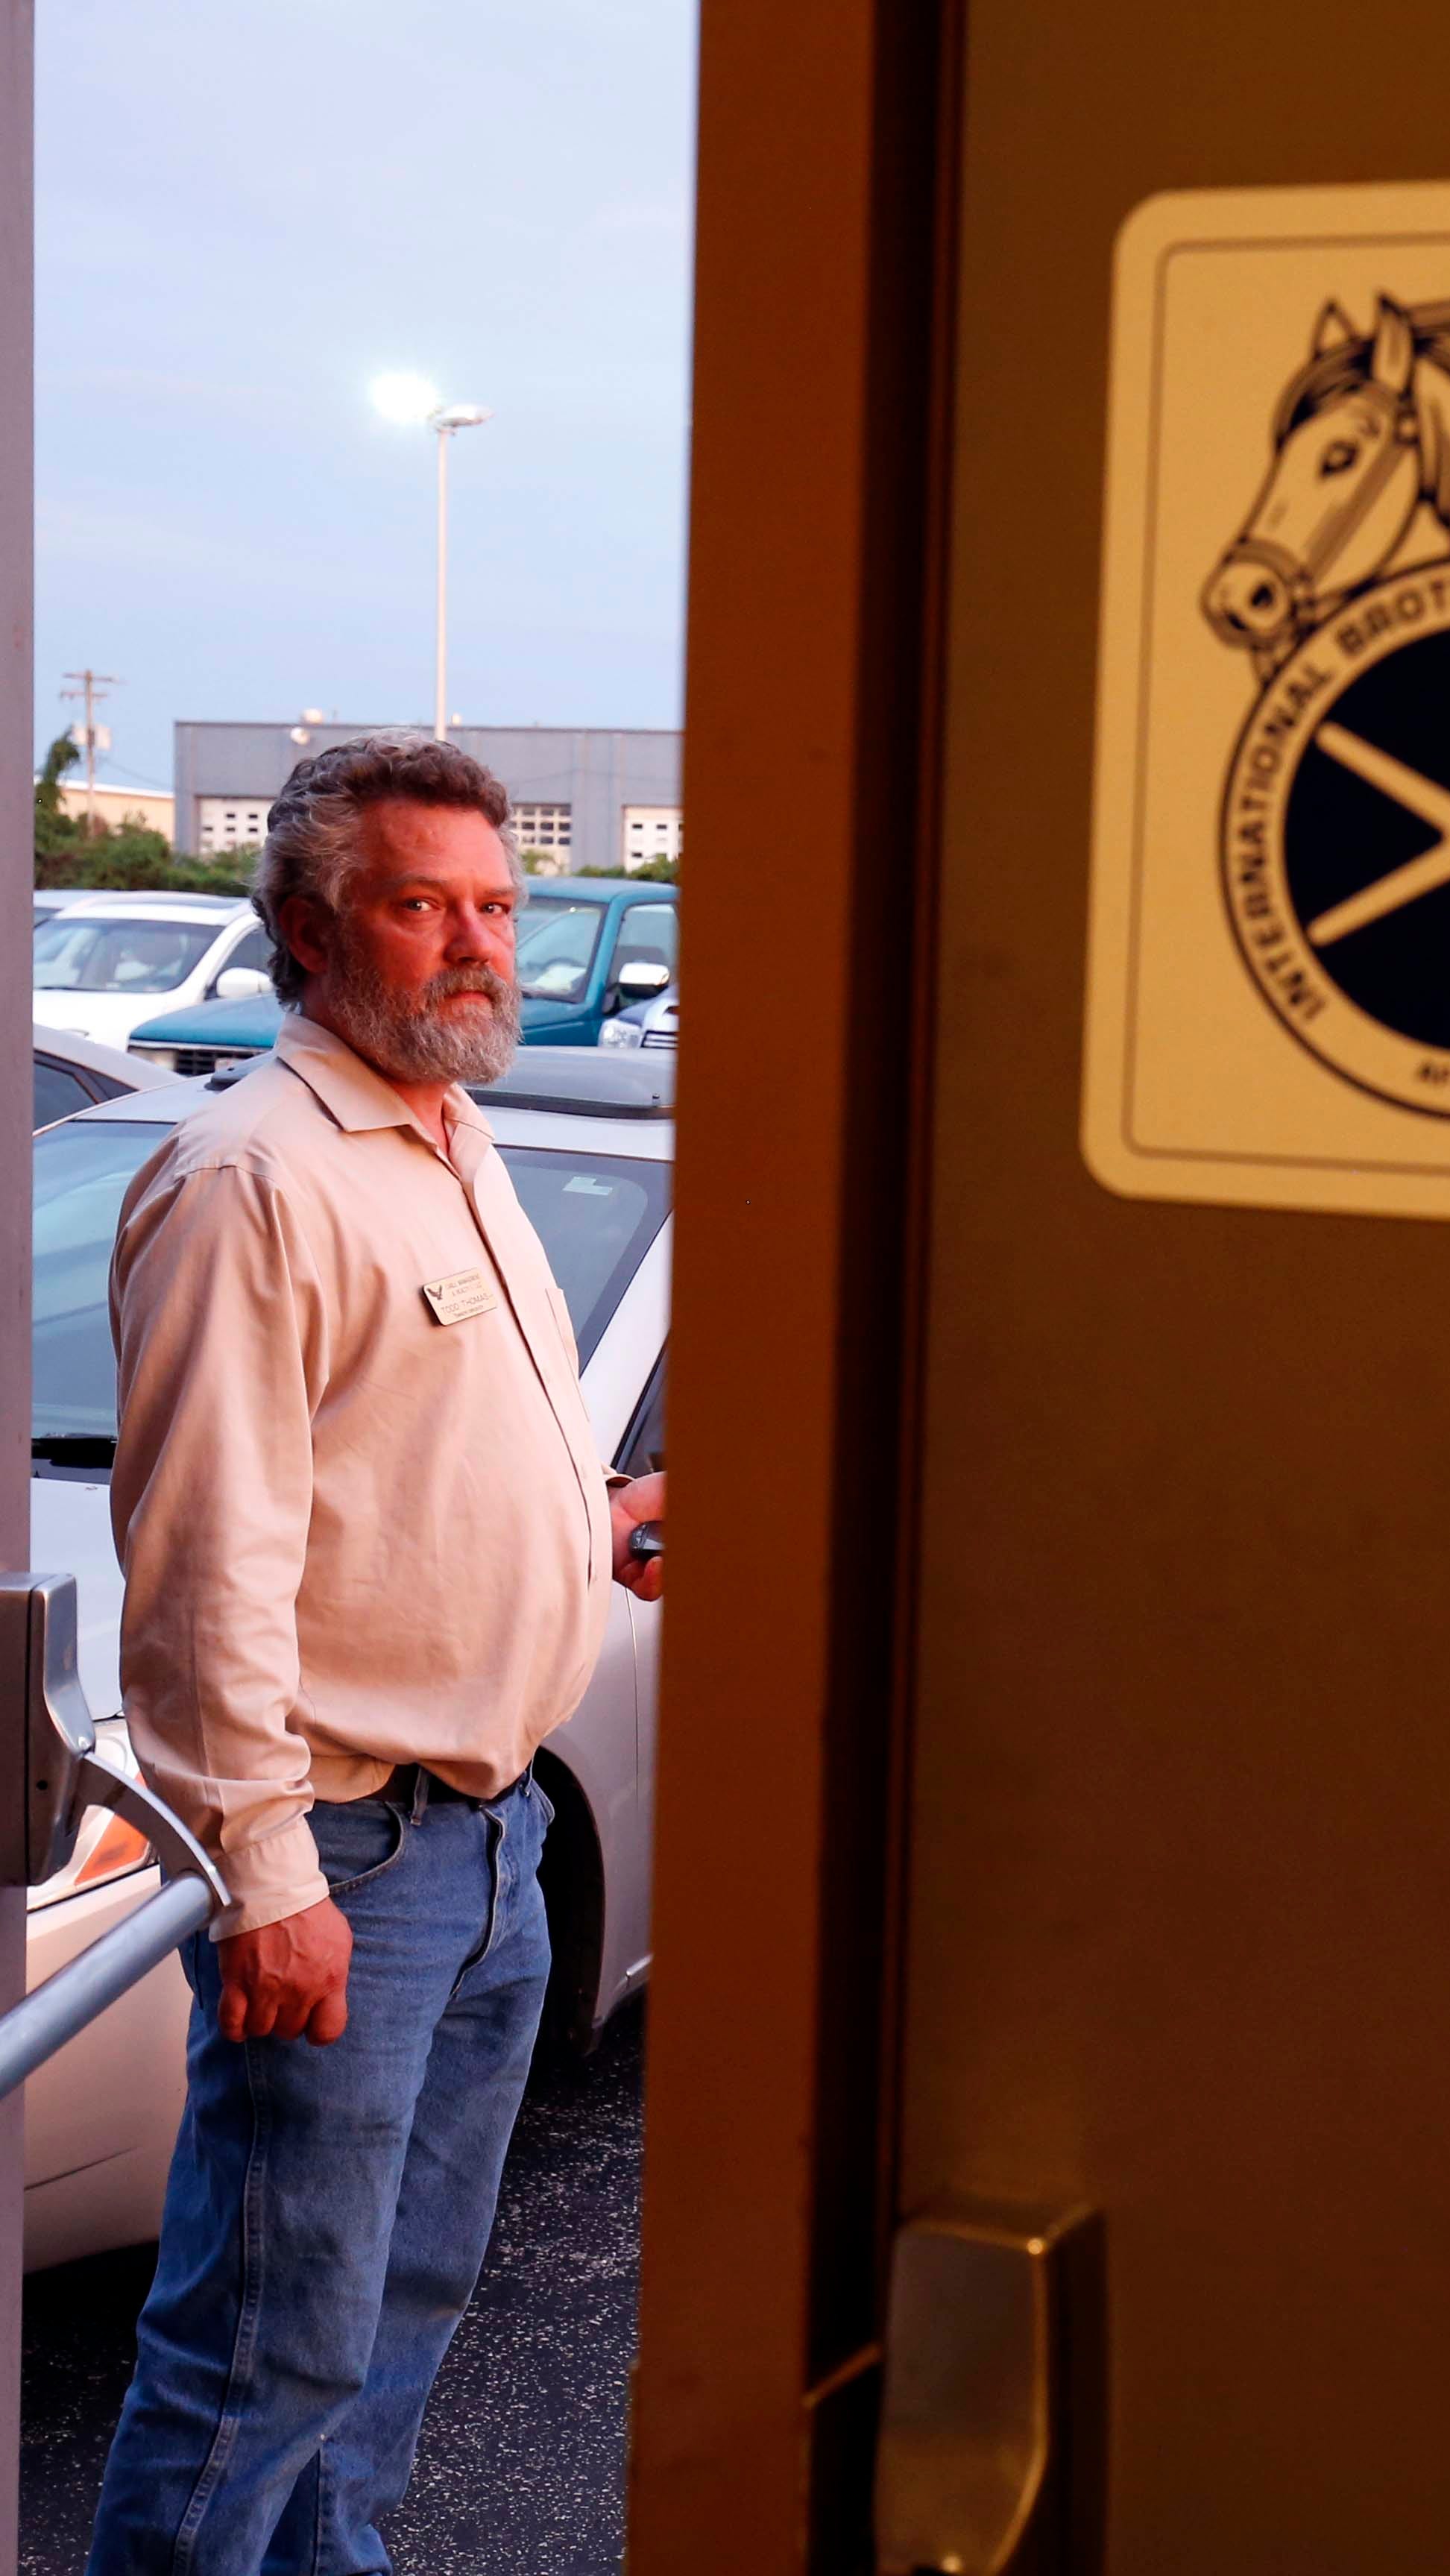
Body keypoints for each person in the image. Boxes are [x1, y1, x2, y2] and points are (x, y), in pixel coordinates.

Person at [84, 733, 667, 2576]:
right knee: (265, 2351)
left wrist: (603, 1522)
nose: (476, 945)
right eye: (424, 906)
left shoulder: (453, 1138)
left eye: (495, 906)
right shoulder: (256, 1174)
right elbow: (204, 1571)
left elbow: (408, 1479)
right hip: (350, 1858)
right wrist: (264, 1883)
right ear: (309, 930)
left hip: (494, 1853)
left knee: (395, 2324)